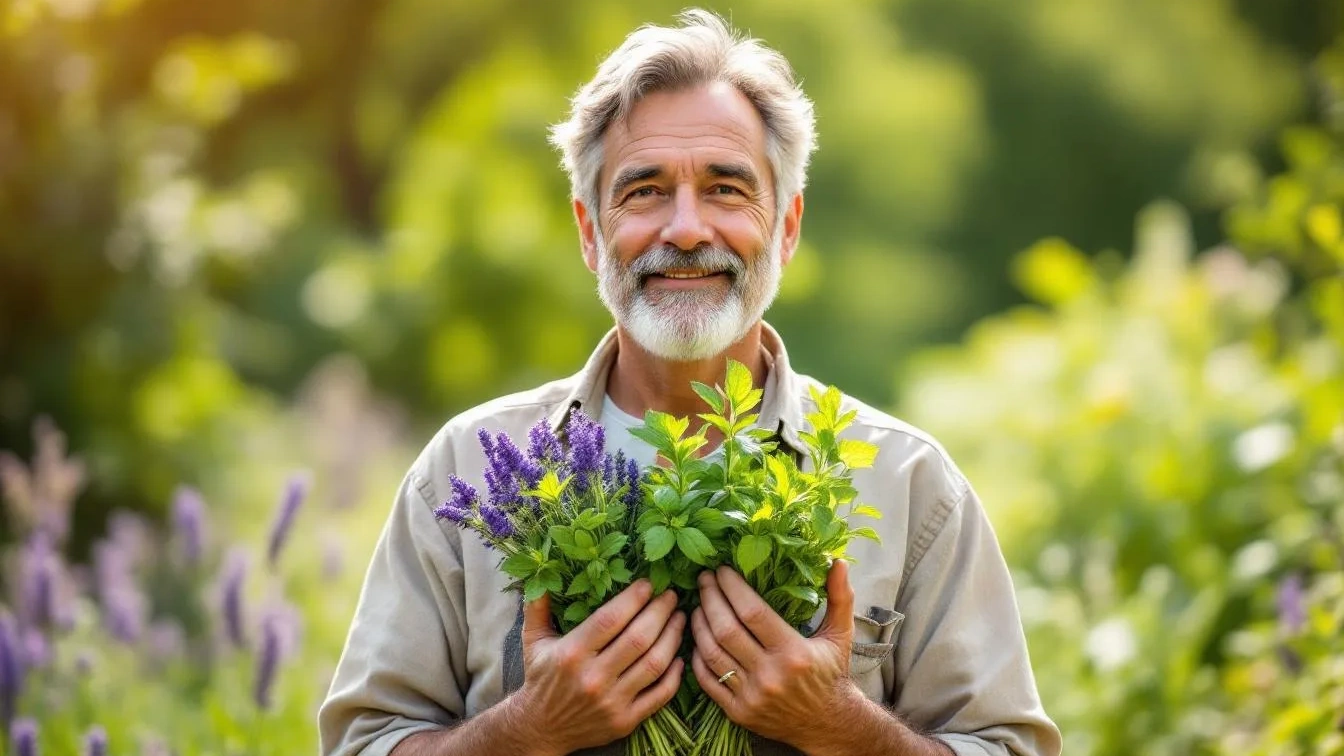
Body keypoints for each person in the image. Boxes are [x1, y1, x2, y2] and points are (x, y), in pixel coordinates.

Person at [318, 9, 1061, 756]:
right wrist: (527, 730)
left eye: (726, 189)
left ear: (788, 227)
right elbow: (362, 744)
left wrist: (839, 724)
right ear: (588, 230)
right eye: (643, 190)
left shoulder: (909, 486)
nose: (684, 229)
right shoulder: (466, 470)